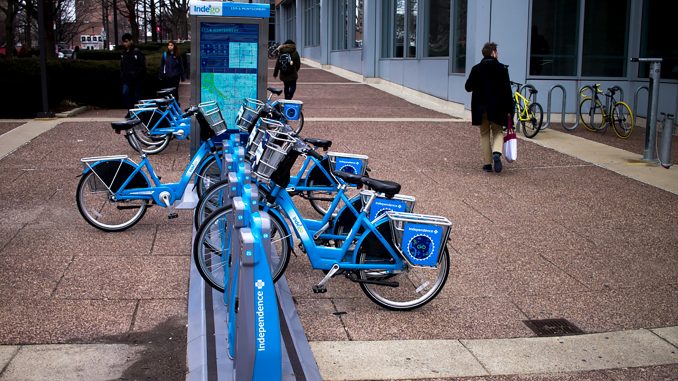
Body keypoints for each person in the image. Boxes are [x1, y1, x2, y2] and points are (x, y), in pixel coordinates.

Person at [464, 42, 513, 173]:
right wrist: (510, 111)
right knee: (498, 131)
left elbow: (468, 87)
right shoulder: (502, 69)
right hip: (498, 108)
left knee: (484, 134)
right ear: (493, 53)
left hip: (481, 108)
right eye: (496, 51)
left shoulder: (476, 69)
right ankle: (497, 152)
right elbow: (508, 92)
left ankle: (487, 164)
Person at [120, 33, 146, 109]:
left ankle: (135, 112)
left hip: (135, 79)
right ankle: (130, 110)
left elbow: (142, 66)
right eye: (124, 42)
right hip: (126, 78)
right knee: (125, 93)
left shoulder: (136, 52)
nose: (125, 43)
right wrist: (122, 74)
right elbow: (122, 65)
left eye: (126, 41)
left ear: (131, 41)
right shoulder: (123, 53)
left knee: (135, 96)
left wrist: (136, 75)